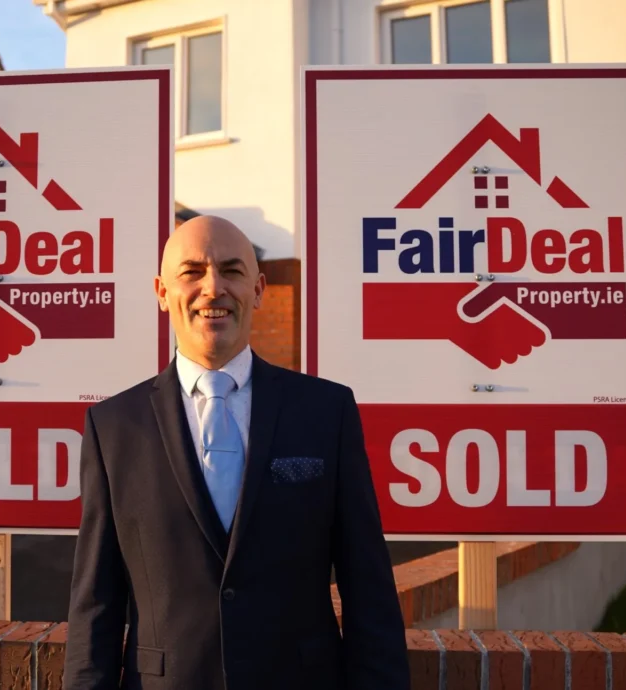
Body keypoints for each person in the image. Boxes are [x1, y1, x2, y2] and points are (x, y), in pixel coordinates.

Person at [62, 215, 410, 690]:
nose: (213, 288)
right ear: (162, 291)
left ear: (259, 289)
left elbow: (368, 587)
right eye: (192, 272)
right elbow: (95, 604)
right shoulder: (114, 427)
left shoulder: (327, 412)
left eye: (231, 270)